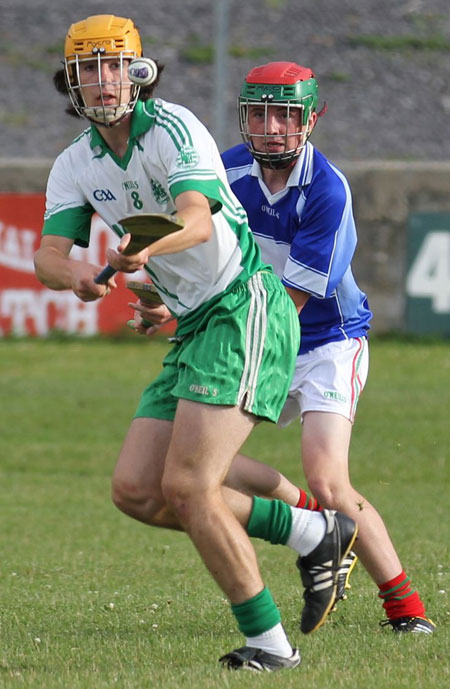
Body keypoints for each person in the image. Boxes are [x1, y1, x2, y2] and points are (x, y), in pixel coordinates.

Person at [33, 16, 358, 673]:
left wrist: (142, 250)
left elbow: (194, 217)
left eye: (114, 65)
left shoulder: (174, 127)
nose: (102, 80)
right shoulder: (75, 163)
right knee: (136, 489)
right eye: (88, 68)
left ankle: (268, 644)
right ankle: (310, 529)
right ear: (71, 81)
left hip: (243, 306)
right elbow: (47, 254)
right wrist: (74, 275)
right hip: (195, 324)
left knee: (188, 484)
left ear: (137, 72)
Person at [218, 61, 435, 635]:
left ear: (313, 119)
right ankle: (317, 525)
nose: (270, 127)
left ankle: (405, 610)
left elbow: (291, 303)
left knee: (329, 479)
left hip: (324, 342)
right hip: (259, 333)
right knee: (199, 464)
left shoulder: (328, 192)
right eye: (259, 113)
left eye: (286, 115)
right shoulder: (226, 170)